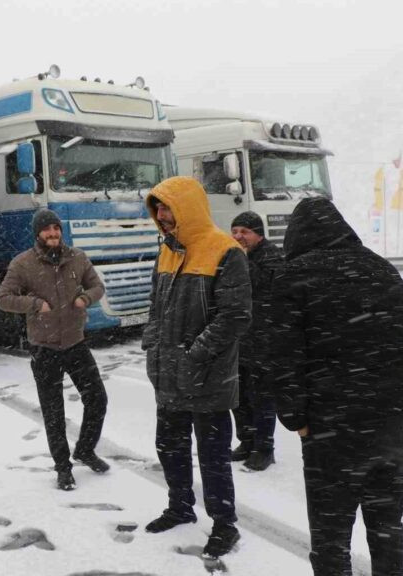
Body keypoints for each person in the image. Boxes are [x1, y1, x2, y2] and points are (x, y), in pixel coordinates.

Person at [270, 197, 403, 576]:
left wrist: (296, 417)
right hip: (390, 425)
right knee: (387, 530)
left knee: (331, 538)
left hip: (332, 427)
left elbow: (284, 355)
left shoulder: (294, 277)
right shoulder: (382, 269)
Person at [141, 176, 252, 558]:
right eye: (157, 208)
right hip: (168, 374)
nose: (161, 215)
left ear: (187, 207)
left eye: (167, 207)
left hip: (208, 378)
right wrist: (152, 346)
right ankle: (180, 507)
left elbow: (235, 316)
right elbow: (156, 309)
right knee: (169, 447)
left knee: (213, 457)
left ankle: (225, 525)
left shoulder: (225, 250)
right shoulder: (167, 251)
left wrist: (194, 354)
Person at [0, 208, 109, 491]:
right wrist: (34, 304)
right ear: (38, 233)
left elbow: (97, 286)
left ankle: (85, 449)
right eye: (47, 229)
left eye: (56, 228)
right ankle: (63, 468)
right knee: (53, 412)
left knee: (97, 399)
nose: (53, 233)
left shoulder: (77, 258)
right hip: (44, 349)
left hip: (75, 343)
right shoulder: (22, 264)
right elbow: (3, 299)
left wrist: (86, 297)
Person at [230, 211, 283, 471]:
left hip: (263, 340)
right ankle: (247, 441)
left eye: (245, 232)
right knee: (238, 396)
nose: (238, 236)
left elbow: (260, 286)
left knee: (262, 398)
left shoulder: (272, 257)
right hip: (239, 339)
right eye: (235, 231)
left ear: (258, 234)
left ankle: (264, 448)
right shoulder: (235, 255)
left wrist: (241, 259)